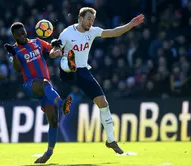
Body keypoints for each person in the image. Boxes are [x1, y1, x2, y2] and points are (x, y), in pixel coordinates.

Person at [51, 7, 145, 154]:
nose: (90, 22)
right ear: (80, 18)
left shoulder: (93, 32)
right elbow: (54, 49)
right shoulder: (67, 33)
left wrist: (130, 25)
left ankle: (111, 140)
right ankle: (68, 63)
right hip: (66, 72)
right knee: (68, 64)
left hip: (83, 71)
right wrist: (55, 52)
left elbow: (113, 32)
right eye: (88, 19)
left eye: (92, 20)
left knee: (103, 103)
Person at [4, 22, 72, 163]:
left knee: (53, 121)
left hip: (47, 90)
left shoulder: (37, 42)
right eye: (18, 35)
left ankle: (48, 153)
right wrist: (13, 54)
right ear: (14, 36)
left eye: (23, 33)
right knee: (46, 84)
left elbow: (52, 53)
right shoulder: (14, 50)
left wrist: (55, 44)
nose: (21, 36)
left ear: (25, 31)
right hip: (30, 85)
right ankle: (61, 103)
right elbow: (17, 69)